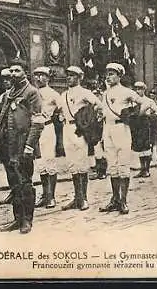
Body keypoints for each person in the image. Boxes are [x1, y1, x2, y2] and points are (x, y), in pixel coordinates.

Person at [0, 56, 44, 234]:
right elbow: (2, 119)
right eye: (11, 70)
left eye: (17, 70)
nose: (13, 74)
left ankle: (27, 221)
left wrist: (29, 146)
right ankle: (17, 219)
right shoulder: (9, 94)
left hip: (23, 146)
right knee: (14, 184)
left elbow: (38, 122)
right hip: (9, 146)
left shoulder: (31, 92)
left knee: (25, 184)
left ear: (25, 72)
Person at [98, 63, 148, 214]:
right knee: (112, 166)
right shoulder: (105, 94)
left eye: (112, 73)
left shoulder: (127, 92)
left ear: (120, 76)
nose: (109, 76)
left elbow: (145, 102)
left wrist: (135, 115)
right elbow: (103, 112)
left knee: (123, 165)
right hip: (108, 129)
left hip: (122, 129)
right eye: (107, 74)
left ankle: (124, 201)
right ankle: (115, 200)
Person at [59, 66, 102, 211]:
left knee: (81, 162)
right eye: (68, 75)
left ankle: (83, 198)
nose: (69, 78)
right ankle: (76, 198)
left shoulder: (84, 92)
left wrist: (89, 120)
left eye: (72, 75)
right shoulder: (63, 94)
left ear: (79, 77)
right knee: (72, 164)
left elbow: (98, 105)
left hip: (79, 129)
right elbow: (60, 111)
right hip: (67, 128)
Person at [32, 66, 61, 209]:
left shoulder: (53, 94)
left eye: (42, 75)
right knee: (40, 163)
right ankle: (44, 194)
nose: (38, 78)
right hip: (34, 130)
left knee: (49, 160)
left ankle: (51, 196)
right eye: (36, 75)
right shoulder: (31, 92)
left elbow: (62, 108)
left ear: (48, 77)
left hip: (47, 128)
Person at [132, 81, 157, 180]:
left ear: (144, 89)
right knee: (140, 149)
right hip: (137, 126)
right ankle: (142, 169)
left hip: (146, 126)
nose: (138, 91)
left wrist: (148, 116)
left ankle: (147, 169)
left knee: (147, 148)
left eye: (140, 88)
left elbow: (156, 113)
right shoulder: (133, 102)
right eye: (136, 89)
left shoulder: (149, 101)